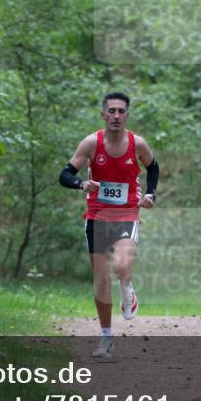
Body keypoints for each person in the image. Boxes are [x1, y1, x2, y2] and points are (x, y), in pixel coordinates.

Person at [59, 92, 159, 361]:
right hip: (97, 216)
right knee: (101, 279)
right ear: (104, 114)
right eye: (111, 111)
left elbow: (153, 168)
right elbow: (65, 175)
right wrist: (82, 184)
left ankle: (128, 290)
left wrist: (150, 194)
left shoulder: (138, 144)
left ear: (127, 115)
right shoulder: (92, 143)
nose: (116, 115)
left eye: (121, 111)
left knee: (121, 266)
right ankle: (106, 337)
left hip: (127, 214)